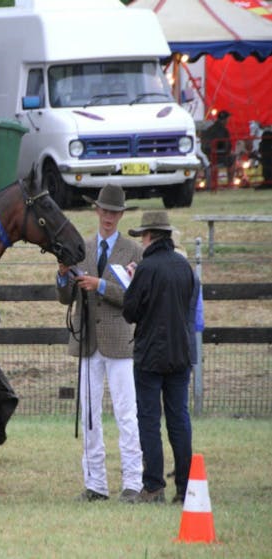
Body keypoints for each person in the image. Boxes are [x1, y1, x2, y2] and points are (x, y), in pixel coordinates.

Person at [55, 184, 143, 504]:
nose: (108, 217)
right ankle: (95, 484)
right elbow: (66, 297)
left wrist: (101, 285)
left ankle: (133, 482)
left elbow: (135, 298)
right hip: (87, 341)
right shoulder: (83, 247)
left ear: (121, 215)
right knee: (89, 415)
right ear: (97, 211)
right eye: (104, 211)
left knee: (126, 413)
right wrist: (63, 275)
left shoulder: (134, 251)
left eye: (114, 212)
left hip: (120, 341)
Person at [122, 211, 195, 505]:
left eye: (142, 236)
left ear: (149, 236)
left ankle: (153, 486)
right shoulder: (184, 266)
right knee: (179, 419)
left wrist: (131, 281)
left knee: (149, 420)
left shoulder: (146, 268)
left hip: (150, 356)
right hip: (180, 353)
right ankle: (185, 486)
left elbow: (130, 311)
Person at [201, 110, 234, 186]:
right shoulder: (224, 130)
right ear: (225, 120)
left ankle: (209, 183)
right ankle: (230, 183)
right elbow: (227, 146)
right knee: (233, 158)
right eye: (227, 119)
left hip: (206, 156)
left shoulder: (209, 129)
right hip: (219, 156)